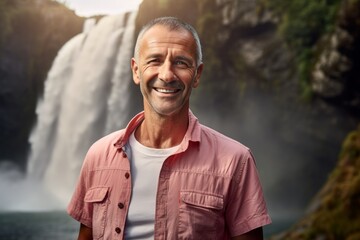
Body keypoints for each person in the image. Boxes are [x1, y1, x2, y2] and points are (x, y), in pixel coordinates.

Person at [67, 16, 272, 240]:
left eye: (181, 63)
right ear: (136, 70)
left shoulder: (235, 162)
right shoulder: (99, 155)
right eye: (154, 60)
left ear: (197, 75)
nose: (166, 75)